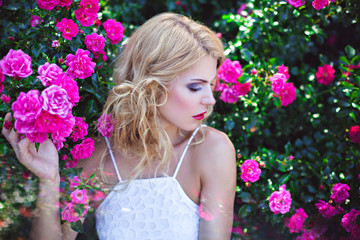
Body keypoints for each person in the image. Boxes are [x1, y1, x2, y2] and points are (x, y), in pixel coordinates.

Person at [2, 12, 236, 240]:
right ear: (152, 83)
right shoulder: (100, 156)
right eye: (195, 87)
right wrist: (49, 180)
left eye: (211, 84)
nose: (210, 99)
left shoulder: (211, 150)